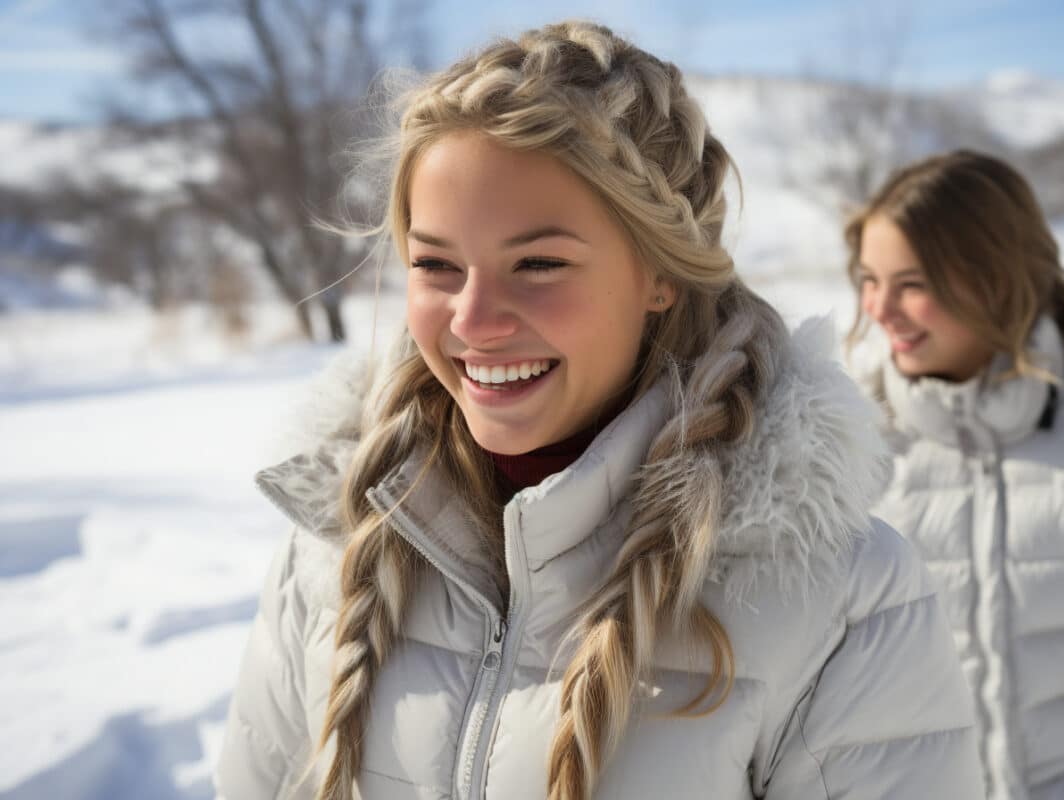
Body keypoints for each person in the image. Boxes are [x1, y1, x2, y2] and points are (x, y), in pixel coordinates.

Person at [215, 22, 983, 800]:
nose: (474, 321)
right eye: (436, 265)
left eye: (538, 264)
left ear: (661, 273)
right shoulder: (340, 541)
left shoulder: (842, 600)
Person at [845, 149, 1064, 800]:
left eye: (913, 283)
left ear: (998, 278)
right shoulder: (846, 438)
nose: (879, 309)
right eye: (869, 279)